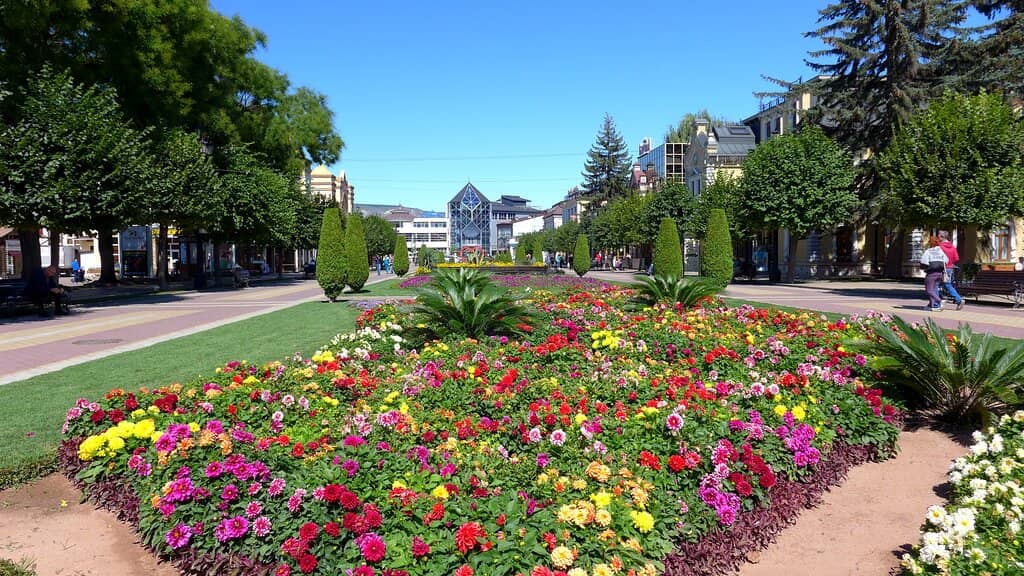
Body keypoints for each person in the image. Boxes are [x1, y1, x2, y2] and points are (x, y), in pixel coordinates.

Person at [937, 231, 964, 310]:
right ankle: (959, 300)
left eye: (938, 236)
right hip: (949, 268)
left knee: (936, 284)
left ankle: (938, 301)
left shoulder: (940, 246)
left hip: (941, 268)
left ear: (941, 237)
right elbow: (956, 258)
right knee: (948, 285)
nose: (938, 237)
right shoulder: (952, 246)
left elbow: (937, 258)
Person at [920, 237, 948, 311]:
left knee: (929, 290)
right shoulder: (941, 251)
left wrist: (923, 268)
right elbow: (946, 260)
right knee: (934, 289)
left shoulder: (929, 251)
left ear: (931, 243)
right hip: (939, 274)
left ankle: (940, 301)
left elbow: (924, 261)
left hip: (931, 273)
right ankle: (931, 305)